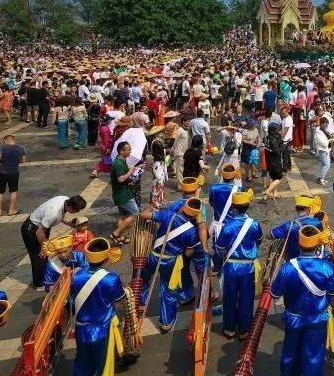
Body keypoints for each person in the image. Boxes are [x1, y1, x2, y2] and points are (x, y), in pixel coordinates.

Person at [270, 225, 334, 376]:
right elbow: (332, 293)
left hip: (293, 318)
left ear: (299, 244)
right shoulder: (326, 267)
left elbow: (275, 294)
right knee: (313, 354)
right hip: (317, 318)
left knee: (290, 348)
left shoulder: (287, 268)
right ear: (316, 245)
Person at [70, 238, 126, 376]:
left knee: (82, 365)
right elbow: (119, 303)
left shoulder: (76, 276)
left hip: (81, 329)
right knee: (103, 366)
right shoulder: (111, 279)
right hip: (103, 330)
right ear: (106, 257)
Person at [137, 199, 201, 332]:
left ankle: (141, 302)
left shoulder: (167, 215)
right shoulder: (193, 231)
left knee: (142, 279)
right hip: (170, 261)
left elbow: (144, 215)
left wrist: (149, 209)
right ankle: (166, 322)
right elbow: (188, 253)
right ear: (195, 215)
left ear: (183, 208)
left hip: (153, 256)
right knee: (168, 290)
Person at [212, 189, 261, 339]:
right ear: (247, 206)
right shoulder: (254, 224)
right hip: (248, 267)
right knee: (247, 298)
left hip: (231, 267)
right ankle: (245, 330)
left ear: (233, 207)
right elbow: (258, 241)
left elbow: (219, 248)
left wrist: (227, 256)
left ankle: (229, 328)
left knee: (229, 298)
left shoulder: (227, 226)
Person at [22, 195, 88, 290]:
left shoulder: (65, 199)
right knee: (40, 255)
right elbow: (39, 232)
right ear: (70, 207)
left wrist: (69, 223)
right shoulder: (53, 213)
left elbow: (60, 215)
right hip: (32, 230)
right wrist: (47, 247)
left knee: (45, 256)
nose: (77, 212)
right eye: (76, 210)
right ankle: (40, 284)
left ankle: (45, 277)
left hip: (43, 227)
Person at [270, 195, 323, 261]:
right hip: (313, 258)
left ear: (296, 209)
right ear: (309, 209)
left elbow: (271, 235)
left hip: (293, 260)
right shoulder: (317, 222)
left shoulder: (288, 226)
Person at [108, 142, 138, 245]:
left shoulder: (122, 161)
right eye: (128, 150)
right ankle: (115, 234)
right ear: (121, 151)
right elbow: (120, 179)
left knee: (123, 216)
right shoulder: (118, 163)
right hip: (123, 195)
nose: (130, 151)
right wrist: (130, 171)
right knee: (135, 214)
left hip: (120, 193)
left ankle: (120, 237)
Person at [0, 134, 27, 217]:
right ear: (13, 140)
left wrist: (3, 160)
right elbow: (24, 160)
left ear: (5, 141)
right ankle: (11, 210)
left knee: (0, 193)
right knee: (13, 191)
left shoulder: (2, 147)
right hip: (14, 172)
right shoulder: (21, 148)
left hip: (2, 172)